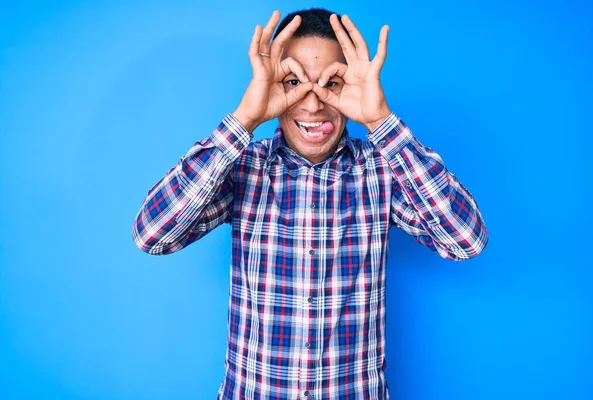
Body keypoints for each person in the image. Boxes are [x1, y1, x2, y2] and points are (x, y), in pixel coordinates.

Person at [132, 7, 488, 399]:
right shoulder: (243, 166)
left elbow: (466, 240)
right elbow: (152, 234)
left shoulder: (382, 171)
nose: (313, 104)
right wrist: (244, 120)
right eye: (293, 81)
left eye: (331, 83)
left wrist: (381, 121)